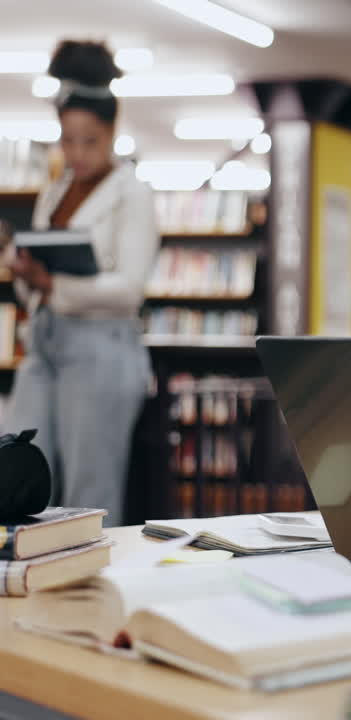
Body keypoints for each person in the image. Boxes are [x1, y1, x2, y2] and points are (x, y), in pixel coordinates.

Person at [3, 40, 158, 526]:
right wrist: (27, 274)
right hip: (46, 343)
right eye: (67, 140)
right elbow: (39, 285)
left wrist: (53, 282)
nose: (77, 153)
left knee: (91, 490)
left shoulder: (132, 195)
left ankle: (91, 596)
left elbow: (130, 289)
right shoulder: (55, 192)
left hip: (102, 350)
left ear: (111, 132)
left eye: (89, 141)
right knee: (16, 470)